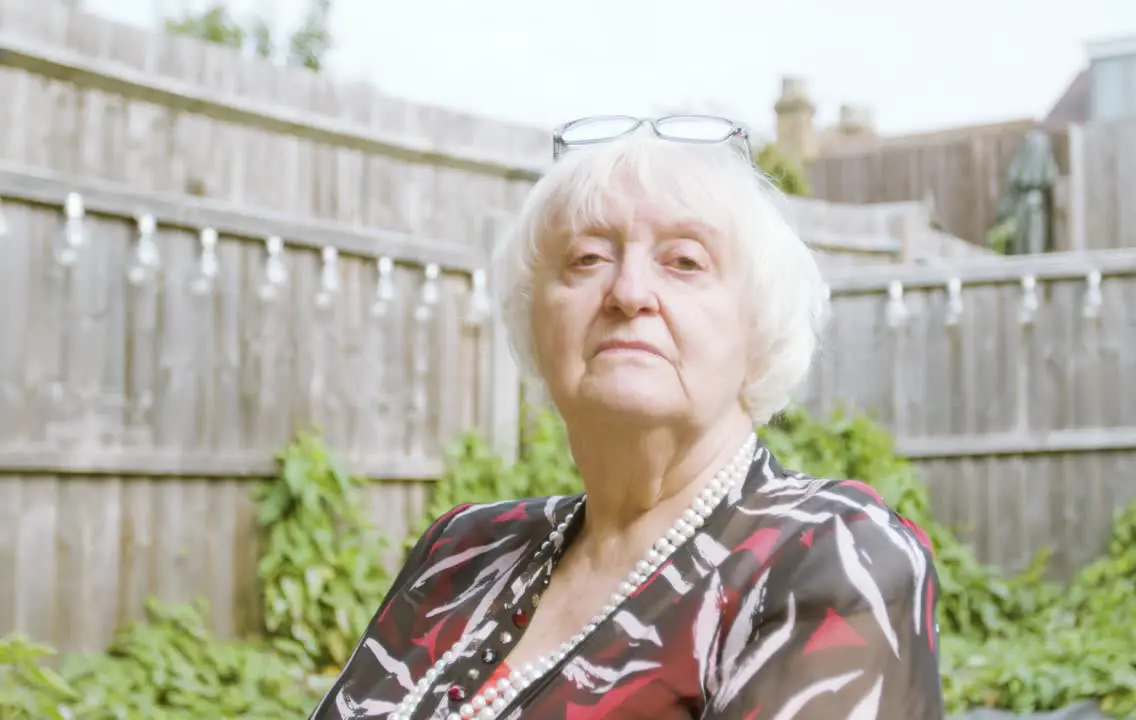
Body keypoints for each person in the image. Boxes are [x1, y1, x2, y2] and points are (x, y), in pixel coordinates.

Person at [311, 115, 943, 719]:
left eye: (685, 261)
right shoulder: (464, 550)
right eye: (587, 258)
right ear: (536, 318)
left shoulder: (829, 556)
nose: (629, 293)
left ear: (758, 326)